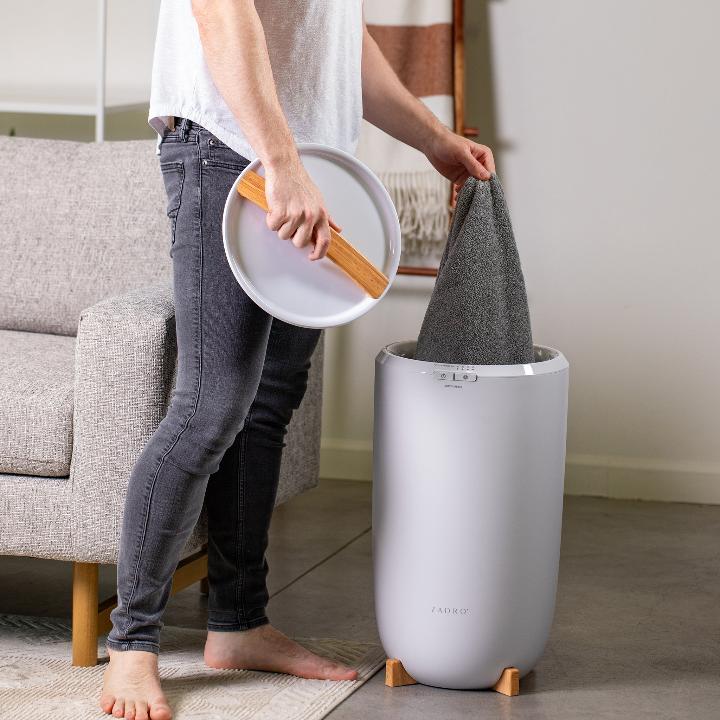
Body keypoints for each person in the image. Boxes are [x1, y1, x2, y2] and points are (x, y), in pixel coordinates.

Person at [100, 1, 496, 718]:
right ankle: (131, 645)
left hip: (313, 161)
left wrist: (433, 138)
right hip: (231, 148)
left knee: (269, 403)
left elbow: (341, 42)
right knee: (210, 405)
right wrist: (279, 161)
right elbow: (222, 15)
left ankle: (239, 624)